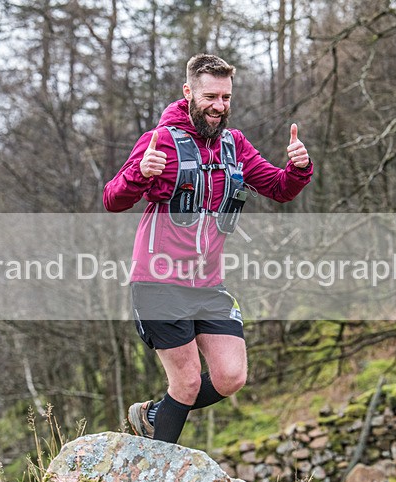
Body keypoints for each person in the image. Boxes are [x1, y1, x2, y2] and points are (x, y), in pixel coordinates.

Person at [103, 54, 312, 444]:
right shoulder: (160, 141)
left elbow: (280, 188)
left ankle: (151, 415)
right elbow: (112, 199)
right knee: (184, 383)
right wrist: (140, 173)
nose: (219, 106)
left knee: (231, 376)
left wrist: (299, 168)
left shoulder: (235, 145)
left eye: (226, 98)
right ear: (188, 93)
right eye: (210, 96)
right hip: (158, 280)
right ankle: (157, 477)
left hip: (207, 284)